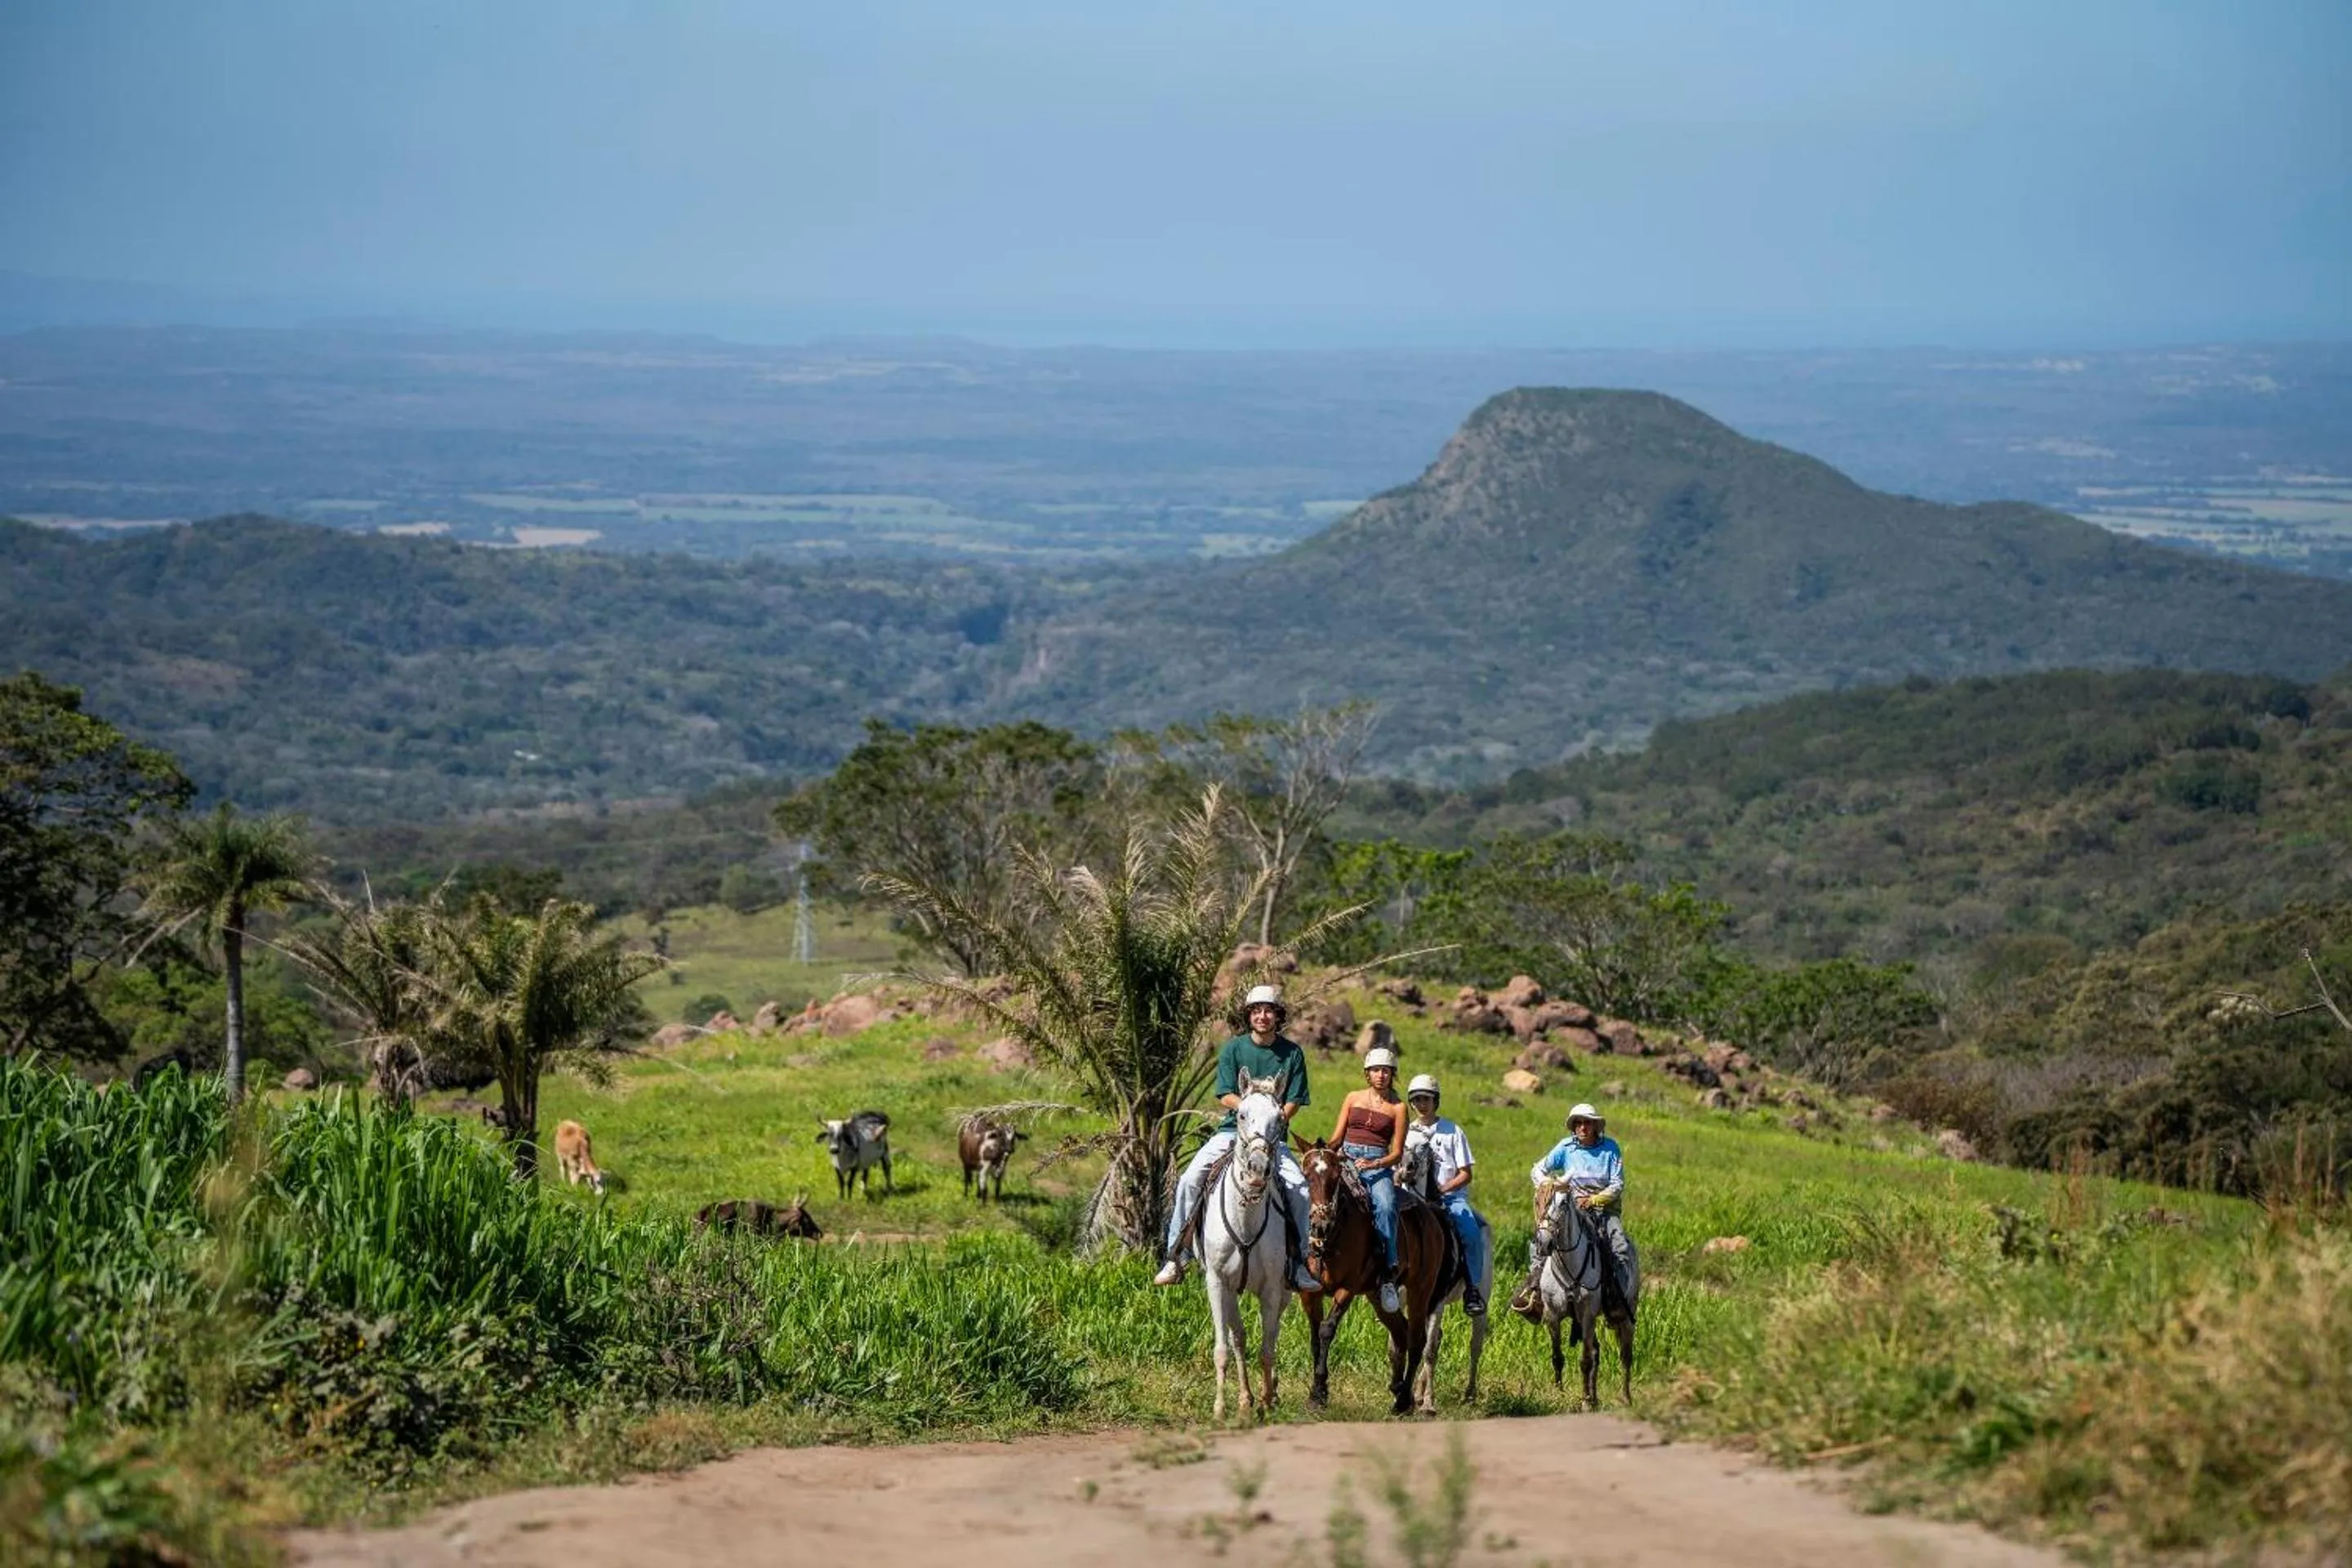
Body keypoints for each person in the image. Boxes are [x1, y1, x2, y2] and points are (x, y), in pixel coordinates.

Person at [1153, 984, 1321, 1294]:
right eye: (1256, 1011)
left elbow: (1295, 1098)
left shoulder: (1292, 1053)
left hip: (1272, 1139)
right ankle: (1177, 1255)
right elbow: (1224, 1094)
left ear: (1277, 1016)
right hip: (1233, 1132)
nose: (1263, 1016)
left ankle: (1298, 1263)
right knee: (1190, 1180)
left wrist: (1276, 1116)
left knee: (1299, 1190)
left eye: (1269, 1010)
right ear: (1249, 1016)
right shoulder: (1233, 1049)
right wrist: (1250, 1108)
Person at [1515, 1102, 1633, 1316]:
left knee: (1619, 1245)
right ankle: (1535, 1291)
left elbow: (1617, 1184)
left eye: (1587, 1123)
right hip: (1570, 1209)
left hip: (1604, 1211)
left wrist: (1595, 1199)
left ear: (1596, 1126)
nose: (1582, 1127)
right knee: (1541, 1240)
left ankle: (1618, 1296)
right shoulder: (1565, 1147)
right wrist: (1548, 1185)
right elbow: (1538, 1169)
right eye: (1578, 1123)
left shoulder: (1611, 1148)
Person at [1330, 1044, 1408, 1314]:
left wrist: (1375, 1163)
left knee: (1386, 1206)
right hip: (1347, 1157)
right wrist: (1328, 1152)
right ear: (1367, 1074)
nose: (1381, 1075)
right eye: (1376, 1070)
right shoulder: (1352, 1098)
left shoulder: (1399, 1108)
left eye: (1386, 1071)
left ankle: (1388, 1274)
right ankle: (1303, 1260)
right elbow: (1337, 1136)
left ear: (1392, 1074)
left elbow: (1397, 1153)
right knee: (1318, 1196)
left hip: (1378, 1164)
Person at [1403, 1074, 1487, 1316]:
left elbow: (1466, 1173)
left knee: (1470, 1232)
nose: (1421, 1104)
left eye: (1426, 1099)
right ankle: (1387, 1285)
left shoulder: (1453, 1131)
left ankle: (1472, 1289)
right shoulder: (1407, 1132)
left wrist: (1443, 1189)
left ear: (1436, 1100)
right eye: (1416, 1099)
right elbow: (1399, 1166)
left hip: (1450, 1198)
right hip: (1414, 1198)